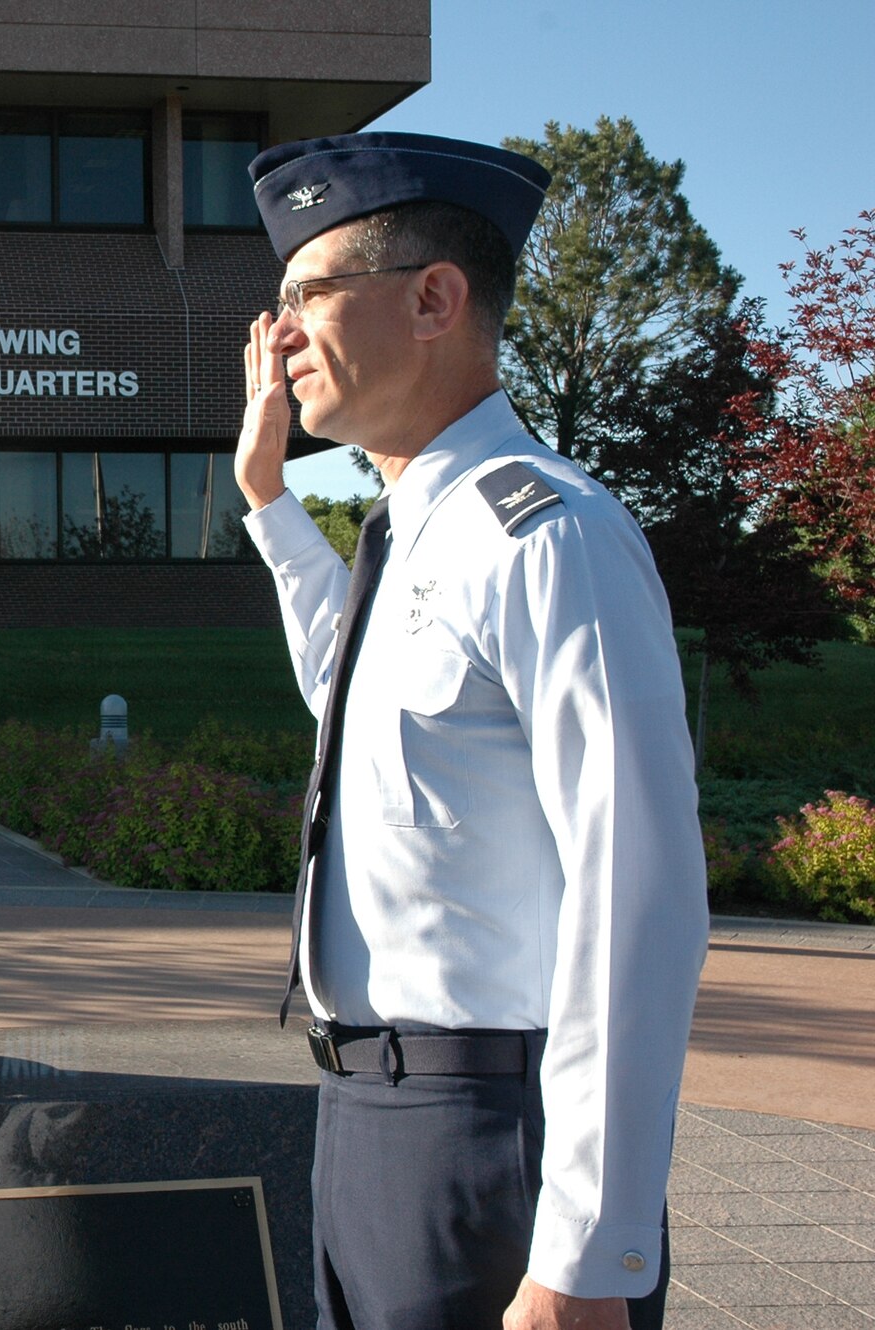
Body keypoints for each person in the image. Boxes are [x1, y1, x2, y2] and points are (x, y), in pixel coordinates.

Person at [233, 133, 708, 1329]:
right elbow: (349, 698)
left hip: (489, 1141)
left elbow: (635, 894)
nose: (276, 334)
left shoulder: (546, 535)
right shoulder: (415, 529)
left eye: (305, 295)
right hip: (369, 1119)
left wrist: (587, 1253)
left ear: (434, 297)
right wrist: (269, 505)